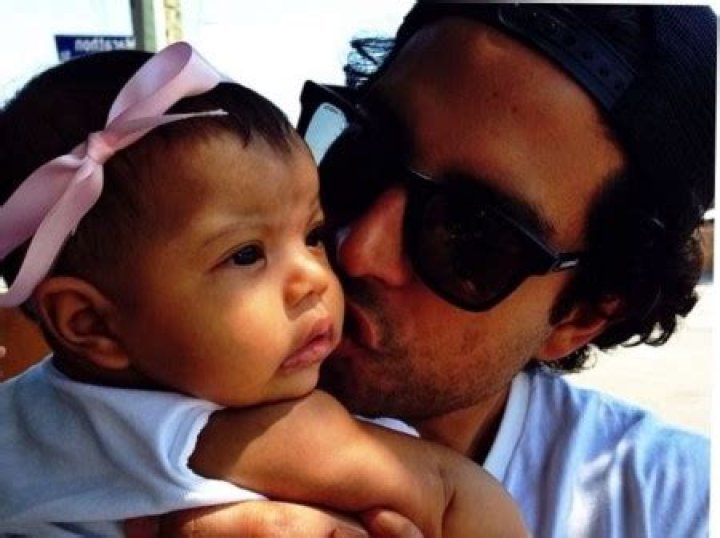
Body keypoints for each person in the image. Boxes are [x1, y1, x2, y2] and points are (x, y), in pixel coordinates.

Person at [149, 3, 715, 536]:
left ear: (582, 315)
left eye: (473, 233)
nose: (357, 248)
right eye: (362, 152)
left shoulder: (671, 504)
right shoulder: (133, 366)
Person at [0, 42, 526, 536]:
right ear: (89, 322)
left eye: (313, 235)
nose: (315, 278)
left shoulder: (18, 419)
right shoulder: (272, 435)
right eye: (246, 255)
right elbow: (453, 494)